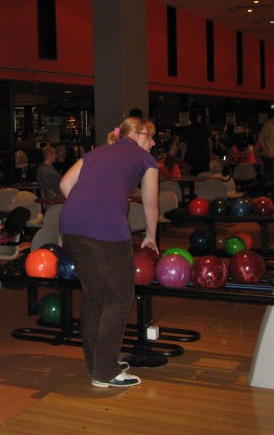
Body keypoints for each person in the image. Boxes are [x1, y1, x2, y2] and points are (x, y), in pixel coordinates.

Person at [59, 117, 159, 388]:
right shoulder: (145, 159)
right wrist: (150, 236)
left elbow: (65, 185)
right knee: (119, 297)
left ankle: (97, 365)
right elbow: (150, 206)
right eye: (150, 137)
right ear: (137, 135)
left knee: (94, 297)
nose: (152, 143)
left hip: (71, 224)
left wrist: (86, 206)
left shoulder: (95, 152)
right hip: (106, 229)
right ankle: (106, 371)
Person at [181, 110, 212, 174]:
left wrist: (182, 158)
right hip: (204, 157)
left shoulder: (187, 129)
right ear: (198, 117)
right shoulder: (205, 127)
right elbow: (210, 142)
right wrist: (210, 154)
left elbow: (185, 145)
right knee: (204, 177)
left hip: (191, 158)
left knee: (193, 178)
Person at [257, 110, 274, 181]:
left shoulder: (272, 126)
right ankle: (269, 191)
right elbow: (260, 139)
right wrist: (267, 152)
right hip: (268, 156)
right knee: (269, 177)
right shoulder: (267, 125)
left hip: (273, 155)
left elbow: (269, 141)